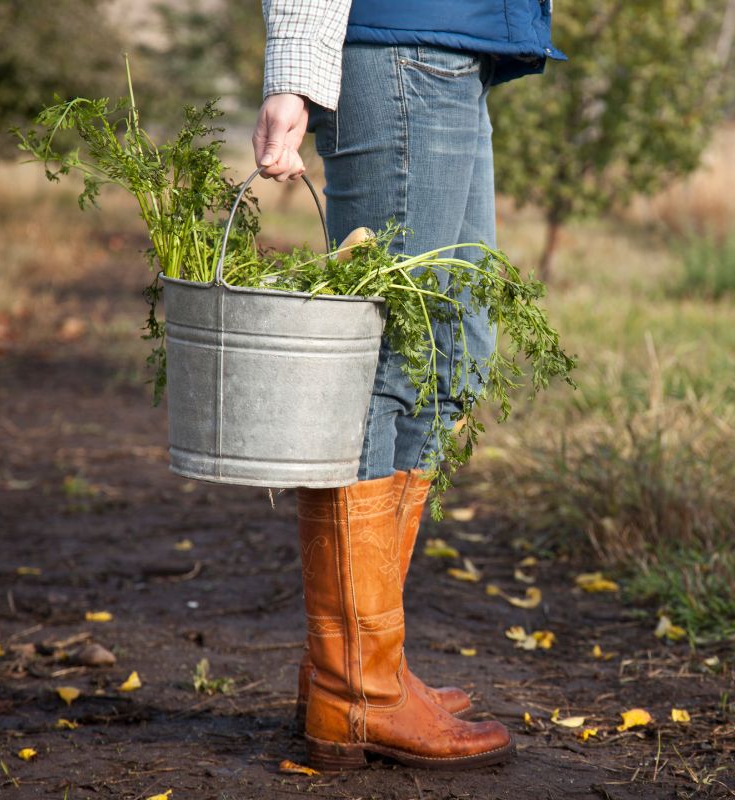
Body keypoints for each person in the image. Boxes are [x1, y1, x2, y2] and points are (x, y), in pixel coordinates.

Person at [253, 0, 564, 772]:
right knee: (392, 358)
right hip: (398, 52)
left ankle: (365, 664)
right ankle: (357, 688)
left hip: (449, 56)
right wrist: (292, 74)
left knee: (451, 353)